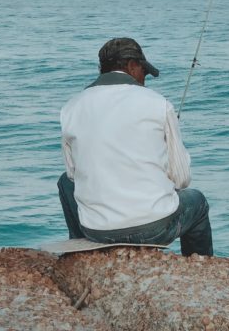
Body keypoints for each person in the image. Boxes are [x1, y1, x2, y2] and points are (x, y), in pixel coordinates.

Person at [57, 37, 213, 256]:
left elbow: (73, 175)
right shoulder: (158, 103)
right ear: (131, 65)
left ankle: (84, 253)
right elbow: (182, 178)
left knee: (65, 182)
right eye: (143, 72)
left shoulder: (71, 107)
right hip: (153, 230)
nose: (144, 79)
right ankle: (200, 269)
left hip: (96, 231)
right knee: (198, 202)